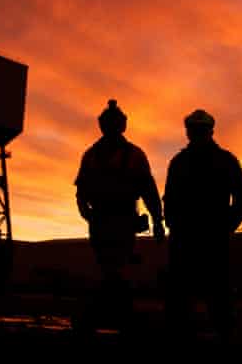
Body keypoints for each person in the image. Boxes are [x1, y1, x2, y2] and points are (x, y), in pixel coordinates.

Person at [74, 99, 165, 331]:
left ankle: (117, 312)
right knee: (109, 267)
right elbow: (81, 192)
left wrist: (157, 220)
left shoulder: (132, 155)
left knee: (117, 267)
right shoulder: (92, 156)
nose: (112, 127)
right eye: (109, 123)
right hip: (103, 220)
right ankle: (116, 312)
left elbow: (148, 190)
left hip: (121, 220)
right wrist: (90, 216)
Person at [163, 108, 242, 341]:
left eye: (199, 130)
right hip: (195, 237)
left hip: (203, 238)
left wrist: (226, 226)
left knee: (214, 293)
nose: (196, 134)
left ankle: (218, 334)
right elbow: (170, 199)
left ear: (209, 131)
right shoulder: (213, 161)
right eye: (194, 130)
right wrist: (226, 226)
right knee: (190, 295)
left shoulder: (186, 162)